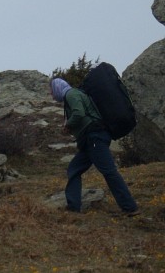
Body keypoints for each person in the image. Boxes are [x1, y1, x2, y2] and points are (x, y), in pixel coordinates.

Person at [49, 77, 139, 216]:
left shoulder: (71, 94)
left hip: (94, 137)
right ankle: (73, 207)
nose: (51, 94)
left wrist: (68, 125)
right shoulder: (73, 94)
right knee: (74, 169)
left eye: (51, 91)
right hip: (89, 140)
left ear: (57, 88)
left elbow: (79, 113)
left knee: (109, 171)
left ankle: (130, 207)